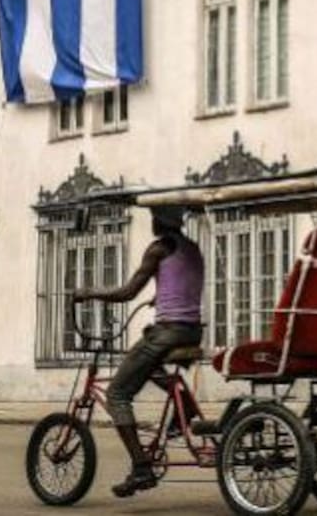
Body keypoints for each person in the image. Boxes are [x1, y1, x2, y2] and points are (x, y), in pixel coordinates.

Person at [73, 206, 204, 499]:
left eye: (154, 218)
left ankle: (142, 467)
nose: (153, 223)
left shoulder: (158, 249)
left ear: (160, 221)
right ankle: (183, 399)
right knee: (145, 357)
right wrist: (160, 296)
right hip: (191, 329)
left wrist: (89, 292)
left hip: (169, 332)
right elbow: (184, 281)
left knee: (118, 393)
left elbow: (127, 292)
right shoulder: (191, 248)